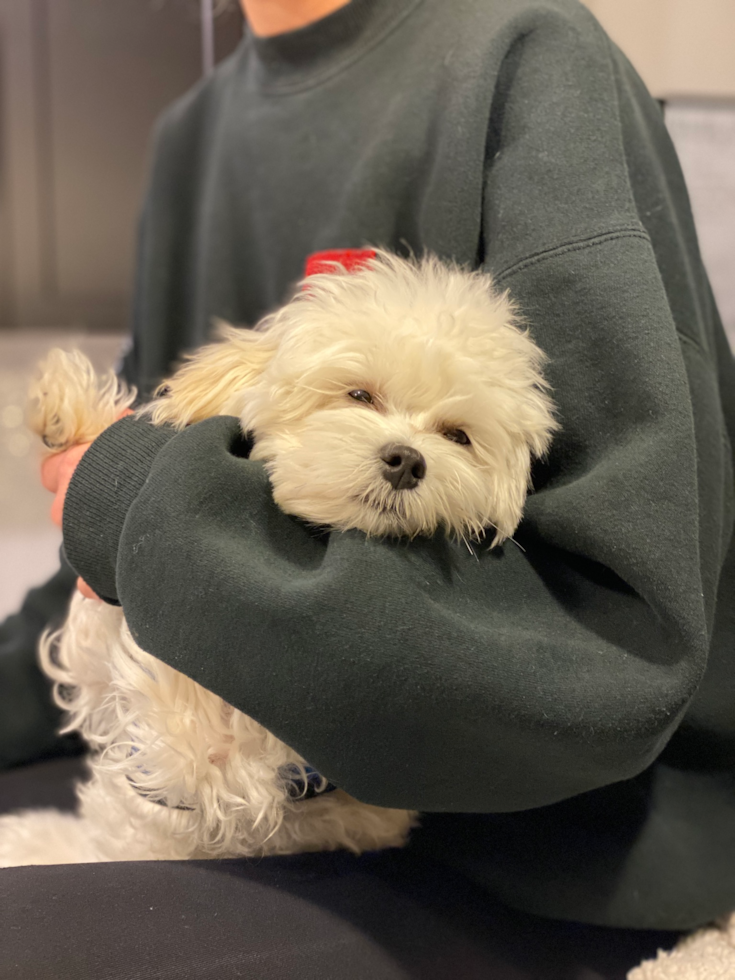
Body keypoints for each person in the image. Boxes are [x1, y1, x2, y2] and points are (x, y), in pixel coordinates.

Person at [3, 0, 735, 943]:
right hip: (215, 787)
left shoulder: (528, 59)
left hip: (525, 855)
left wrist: (140, 505)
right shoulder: (191, 134)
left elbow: (607, 654)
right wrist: (121, 508)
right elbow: (119, 525)